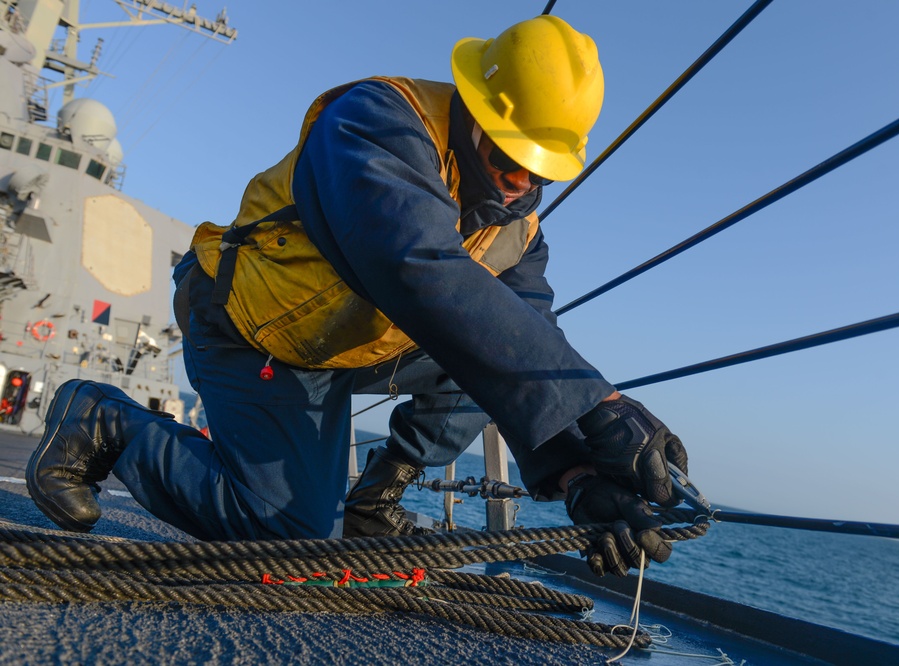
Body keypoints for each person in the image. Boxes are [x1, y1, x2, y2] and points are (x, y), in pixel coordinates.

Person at [26, 15, 689, 577]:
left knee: (511, 339)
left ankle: (374, 505)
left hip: (345, 344)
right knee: (284, 534)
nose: (519, 185)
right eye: (510, 159)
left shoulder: (518, 230)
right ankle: (107, 422)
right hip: (251, 324)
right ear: (475, 116)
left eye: (539, 172)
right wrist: (603, 405)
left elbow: (523, 346)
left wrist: (579, 476)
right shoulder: (376, 121)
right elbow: (417, 268)